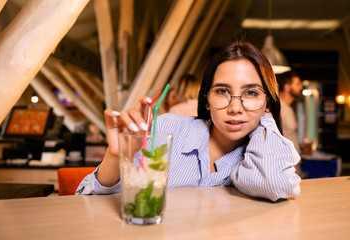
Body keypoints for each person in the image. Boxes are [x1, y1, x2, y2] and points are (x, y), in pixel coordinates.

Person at [76, 40, 301, 202]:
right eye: (222, 91)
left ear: (268, 102)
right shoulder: (164, 130)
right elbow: (85, 201)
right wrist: (115, 157)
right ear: (206, 100)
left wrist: (266, 118)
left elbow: (274, 184)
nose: (235, 108)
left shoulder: (260, 154)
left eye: (251, 93)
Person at [276, 71, 303, 154]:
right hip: (285, 163)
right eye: (297, 84)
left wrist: (300, 146)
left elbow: (288, 135)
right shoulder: (278, 108)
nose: (301, 87)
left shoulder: (288, 108)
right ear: (287, 87)